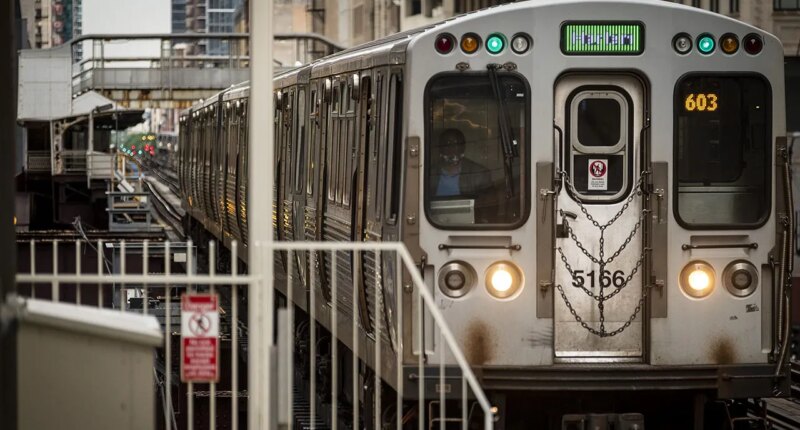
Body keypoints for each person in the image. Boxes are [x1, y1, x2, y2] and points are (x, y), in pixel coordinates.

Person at [430, 128, 492, 198]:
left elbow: (485, 204)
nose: (451, 148)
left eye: (456, 144)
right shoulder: (430, 174)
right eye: (447, 144)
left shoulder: (479, 174)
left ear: (463, 147)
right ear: (440, 148)